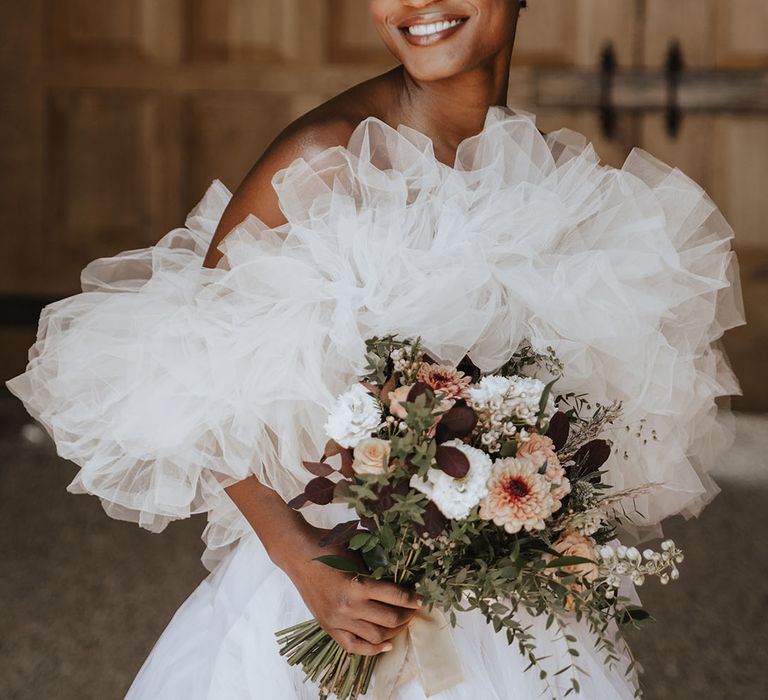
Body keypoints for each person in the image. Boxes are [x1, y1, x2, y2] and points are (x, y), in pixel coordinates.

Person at [6, 1, 744, 698]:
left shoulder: (550, 178)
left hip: (502, 600)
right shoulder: (325, 158)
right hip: (341, 589)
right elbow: (186, 372)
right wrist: (305, 562)